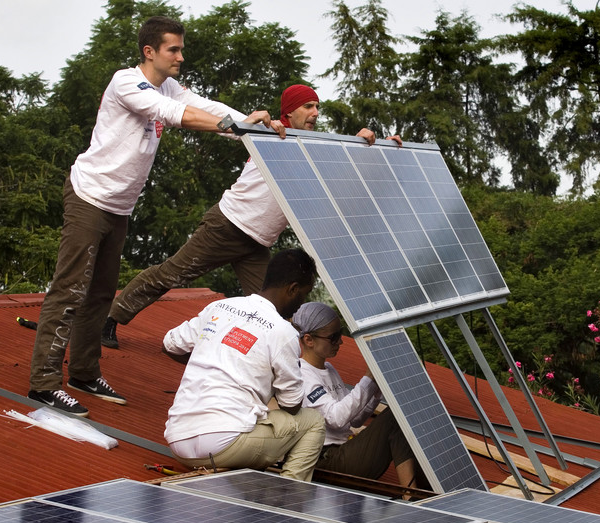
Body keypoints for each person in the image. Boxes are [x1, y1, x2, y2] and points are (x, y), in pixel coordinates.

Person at [27, 16, 285, 417]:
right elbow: (174, 112)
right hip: (89, 197)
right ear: (150, 52)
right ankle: (43, 384)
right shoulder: (126, 82)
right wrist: (233, 126)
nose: (181, 56)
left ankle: (82, 372)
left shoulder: (168, 84)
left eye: (181, 49)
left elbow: (201, 105)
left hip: (119, 207)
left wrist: (249, 124)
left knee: (99, 293)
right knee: (71, 289)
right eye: (173, 50)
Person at [101, 84, 402, 350]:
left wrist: (369, 146)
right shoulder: (268, 135)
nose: (315, 113)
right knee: (171, 274)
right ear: (289, 112)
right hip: (227, 226)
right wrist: (261, 123)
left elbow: (340, 165)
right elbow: (231, 122)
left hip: (258, 244)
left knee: (273, 306)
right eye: (308, 106)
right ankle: (111, 318)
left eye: (317, 107)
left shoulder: (312, 148)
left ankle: (262, 360)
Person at [162, 248, 325, 481]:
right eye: (304, 294)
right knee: (313, 422)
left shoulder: (220, 307)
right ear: (293, 289)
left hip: (178, 440)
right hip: (224, 446)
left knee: (255, 419)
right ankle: (288, 498)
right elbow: (291, 405)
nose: (301, 303)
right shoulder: (283, 332)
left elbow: (169, 344)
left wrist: (217, 356)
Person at [292, 302, 423, 490]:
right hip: (326, 461)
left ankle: (422, 491)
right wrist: (368, 378)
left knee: (397, 415)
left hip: (342, 452)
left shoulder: (328, 369)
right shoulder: (303, 374)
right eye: (333, 337)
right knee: (394, 419)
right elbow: (337, 418)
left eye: (340, 333)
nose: (340, 341)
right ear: (309, 340)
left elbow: (354, 419)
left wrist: (376, 388)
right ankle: (410, 494)